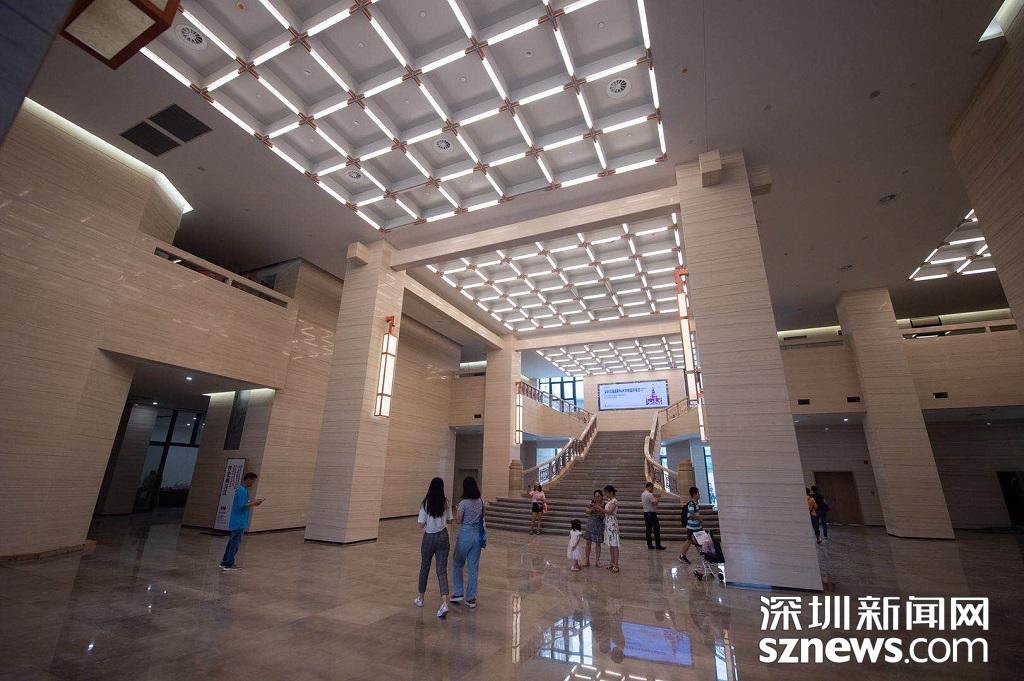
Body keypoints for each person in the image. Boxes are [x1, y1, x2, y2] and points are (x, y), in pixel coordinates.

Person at [416, 477, 453, 618]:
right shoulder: (445, 502)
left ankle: (421, 598)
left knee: (425, 567)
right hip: (443, 537)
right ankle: (444, 603)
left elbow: (421, 524)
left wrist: (428, 524)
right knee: (441, 571)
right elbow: (450, 520)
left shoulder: (426, 503)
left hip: (429, 537)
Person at [451, 476, 485, 609]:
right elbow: (482, 516)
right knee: (473, 567)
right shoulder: (480, 502)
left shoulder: (463, 503)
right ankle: (471, 598)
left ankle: (458, 592)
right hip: (477, 536)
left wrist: (458, 509)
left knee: (458, 563)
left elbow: (458, 520)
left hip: (465, 534)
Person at [219, 472, 263, 570]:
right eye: (253, 481)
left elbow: (244, 503)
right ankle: (229, 564)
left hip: (237, 521)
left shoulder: (241, 490)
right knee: (234, 544)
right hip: (239, 522)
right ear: (248, 479)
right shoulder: (242, 491)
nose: (253, 484)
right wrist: (254, 502)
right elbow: (242, 505)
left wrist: (253, 502)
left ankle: (224, 562)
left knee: (231, 543)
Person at [678, 486, 702, 565]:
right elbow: (691, 515)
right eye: (698, 493)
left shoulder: (695, 503)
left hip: (696, 527)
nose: (699, 494)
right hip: (692, 527)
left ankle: (702, 555)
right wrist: (699, 518)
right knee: (690, 540)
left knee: (696, 540)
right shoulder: (692, 504)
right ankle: (682, 556)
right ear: (694, 494)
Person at [641, 482, 667, 550]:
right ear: (649, 487)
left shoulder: (643, 494)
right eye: (652, 488)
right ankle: (658, 545)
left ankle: (649, 545)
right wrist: (658, 499)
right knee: (656, 529)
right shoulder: (649, 494)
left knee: (648, 530)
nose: (653, 489)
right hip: (651, 513)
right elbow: (654, 502)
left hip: (646, 513)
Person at [583, 489, 605, 567]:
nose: (597, 498)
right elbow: (586, 511)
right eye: (595, 496)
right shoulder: (592, 502)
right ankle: (587, 561)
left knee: (598, 543)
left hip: (599, 525)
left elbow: (605, 514)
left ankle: (597, 561)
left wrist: (599, 509)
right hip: (590, 524)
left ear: (602, 496)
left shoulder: (605, 504)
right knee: (588, 542)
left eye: (598, 496)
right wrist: (592, 509)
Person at [603, 485, 620, 573]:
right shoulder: (609, 501)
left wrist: (600, 509)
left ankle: (616, 565)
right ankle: (612, 562)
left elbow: (609, 512)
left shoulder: (614, 501)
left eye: (606, 492)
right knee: (611, 545)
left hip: (612, 524)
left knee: (615, 545)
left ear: (611, 492)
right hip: (608, 524)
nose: (606, 494)